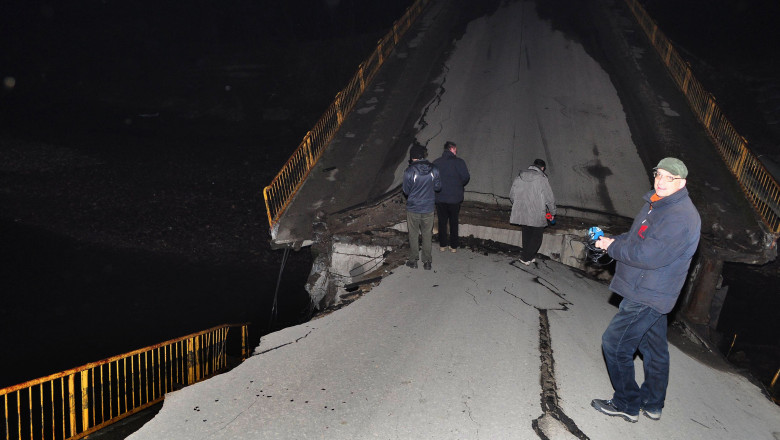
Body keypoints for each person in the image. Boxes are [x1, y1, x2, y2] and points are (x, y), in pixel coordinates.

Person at [591, 157, 701, 423]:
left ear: (682, 183)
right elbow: (637, 236)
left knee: (614, 344)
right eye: (659, 175)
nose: (661, 181)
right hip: (651, 289)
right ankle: (652, 402)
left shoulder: (679, 218)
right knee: (654, 350)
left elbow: (649, 255)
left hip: (648, 294)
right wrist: (611, 240)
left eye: (669, 178)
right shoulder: (657, 203)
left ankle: (627, 403)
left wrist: (611, 248)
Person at [509, 159, 556, 265]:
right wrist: (552, 212)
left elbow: (512, 195)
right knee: (537, 237)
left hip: (522, 211)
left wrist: (518, 205)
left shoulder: (520, 176)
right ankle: (525, 257)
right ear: (542, 168)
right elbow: (549, 198)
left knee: (527, 234)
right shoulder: (542, 179)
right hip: (536, 212)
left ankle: (529, 257)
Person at [402, 143, 441, 270]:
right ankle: (427, 262)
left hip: (413, 208)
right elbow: (438, 187)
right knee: (427, 234)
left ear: (413, 157)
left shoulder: (409, 171)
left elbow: (406, 191)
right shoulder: (434, 169)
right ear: (423, 156)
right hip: (428, 207)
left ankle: (413, 261)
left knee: (413, 234)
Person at [433, 141, 470, 253]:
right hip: (455, 198)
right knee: (454, 221)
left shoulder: (436, 162)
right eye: (455, 149)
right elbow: (466, 177)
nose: (456, 151)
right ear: (452, 149)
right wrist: (458, 185)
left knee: (442, 222)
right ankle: (453, 246)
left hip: (440, 197)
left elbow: (433, 178)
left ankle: (442, 245)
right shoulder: (460, 162)